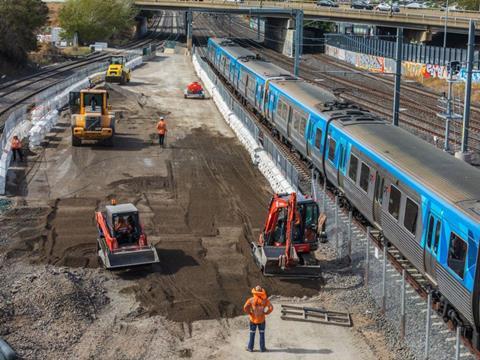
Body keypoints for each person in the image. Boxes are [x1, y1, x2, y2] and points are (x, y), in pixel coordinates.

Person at [243, 286, 273, 352]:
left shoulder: (251, 299)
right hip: (261, 320)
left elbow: (245, 307)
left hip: (253, 320)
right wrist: (266, 313)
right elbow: (271, 308)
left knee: (252, 334)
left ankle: (250, 348)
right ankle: (262, 348)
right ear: (262, 292)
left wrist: (250, 313)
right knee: (262, 334)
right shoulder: (265, 301)